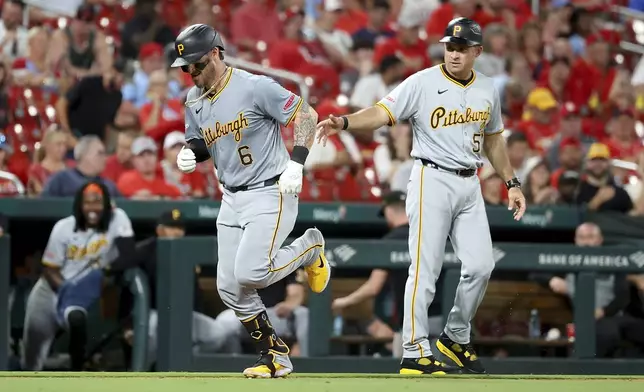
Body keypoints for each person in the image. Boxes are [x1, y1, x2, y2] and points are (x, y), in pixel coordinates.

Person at [316, 17, 527, 375]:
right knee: (425, 269)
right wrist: (345, 121)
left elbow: (493, 138)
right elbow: (382, 113)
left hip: (470, 183)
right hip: (432, 177)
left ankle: (456, 336)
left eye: (462, 48)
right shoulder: (422, 82)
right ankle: (414, 348)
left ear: (477, 51)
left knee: (480, 266)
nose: (454, 54)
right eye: (450, 47)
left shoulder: (488, 87)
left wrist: (512, 182)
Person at [171, 24, 330, 378]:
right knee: (229, 287)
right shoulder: (193, 100)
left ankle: (311, 247)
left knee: (251, 273)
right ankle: (274, 355)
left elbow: (306, 114)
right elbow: (202, 141)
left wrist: (298, 162)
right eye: (186, 68)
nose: (191, 73)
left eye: (196, 64)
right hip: (231, 196)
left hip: (270, 189)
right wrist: (192, 153)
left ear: (215, 53)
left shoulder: (255, 86)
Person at [21, 181, 136, 371]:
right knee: (32, 356)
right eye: (87, 203)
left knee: (79, 330)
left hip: (84, 292)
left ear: (107, 205)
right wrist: (68, 291)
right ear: (79, 206)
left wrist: (104, 275)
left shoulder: (117, 219)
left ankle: (76, 378)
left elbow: (129, 254)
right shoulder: (64, 227)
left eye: (98, 202)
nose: (93, 208)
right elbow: (50, 268)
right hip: (51, 290)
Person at [332, 191, 445, 352]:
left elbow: (373, 286)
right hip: (442, 317)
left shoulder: (390, 241)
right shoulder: (430, 236)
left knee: (410, 373)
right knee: (440, 374)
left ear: (389, 211)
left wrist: (344, 301)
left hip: (413, 324)